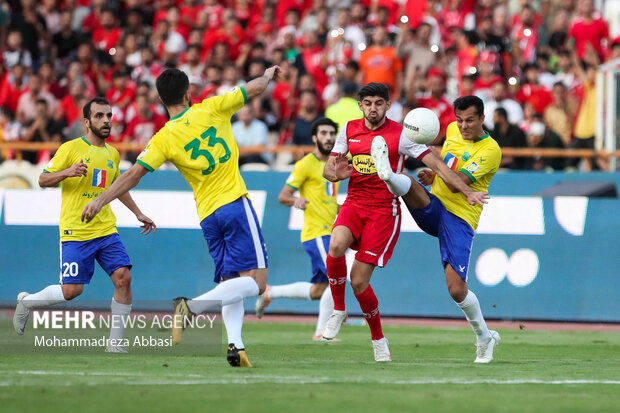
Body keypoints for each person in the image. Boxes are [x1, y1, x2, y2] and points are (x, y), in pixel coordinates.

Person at [81, 65, 282, 367]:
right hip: (234, 204)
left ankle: (236, 347)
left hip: (208, 215)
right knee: (258, 282)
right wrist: (267, 76)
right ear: (189, 93)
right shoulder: (212, 107)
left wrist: (101, 198)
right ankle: (191, 307)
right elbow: (252, 89)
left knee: (231, 281)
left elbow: (133, 175)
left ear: (162, 101)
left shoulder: (163, 138)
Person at [322, 83, 488, 361]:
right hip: (354, 202)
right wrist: (334, 174)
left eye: (379, 103)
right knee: (336, 245)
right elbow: (330, 168)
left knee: (359, 282)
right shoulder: (349, 129)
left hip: (383, 211)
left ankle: (378, 340)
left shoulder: (401, 135)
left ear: (388, 105)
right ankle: (338, 310)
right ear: (360, 105)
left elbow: (438, 166)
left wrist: (467, 191)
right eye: (368, 103)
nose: (373, 108)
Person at [12, 97, 156, 353]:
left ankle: (115, 343)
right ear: (86, 122)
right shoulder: (70, 149)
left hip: (105, 229)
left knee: (124, 278)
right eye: (100, 116)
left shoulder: (112, 153)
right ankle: (27, 302)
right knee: (71, 291)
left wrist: (138, 213)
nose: (106, 121)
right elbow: (43, 179)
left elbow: (116, 189)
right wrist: (67, 172)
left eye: (109, 116)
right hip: (75, 231)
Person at [371, 95, 501, 363]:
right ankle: (388, 175)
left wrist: (439, 173)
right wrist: (432, 174)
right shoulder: (452, 130)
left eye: (470, 120)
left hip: (460, 217)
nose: (463, 126)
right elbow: (445, 160)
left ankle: (484, 337)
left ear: (482, 119)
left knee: (456, 289)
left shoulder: (490, 150)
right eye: (460, 120)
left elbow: (457, 183)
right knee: (407, 183)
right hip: (436, 205)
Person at [254, 117, 338, 341]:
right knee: (337, 278)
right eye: (323, 133)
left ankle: (272, 292)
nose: (328, 137)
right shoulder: (306, 164)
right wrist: (296, 201)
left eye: (332, 133)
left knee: (319, 290)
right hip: (317, 232)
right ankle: (322, 333)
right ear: (314, 138)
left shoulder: (334, 164)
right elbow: (283, 196)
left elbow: (327, 198)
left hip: (331, 231)